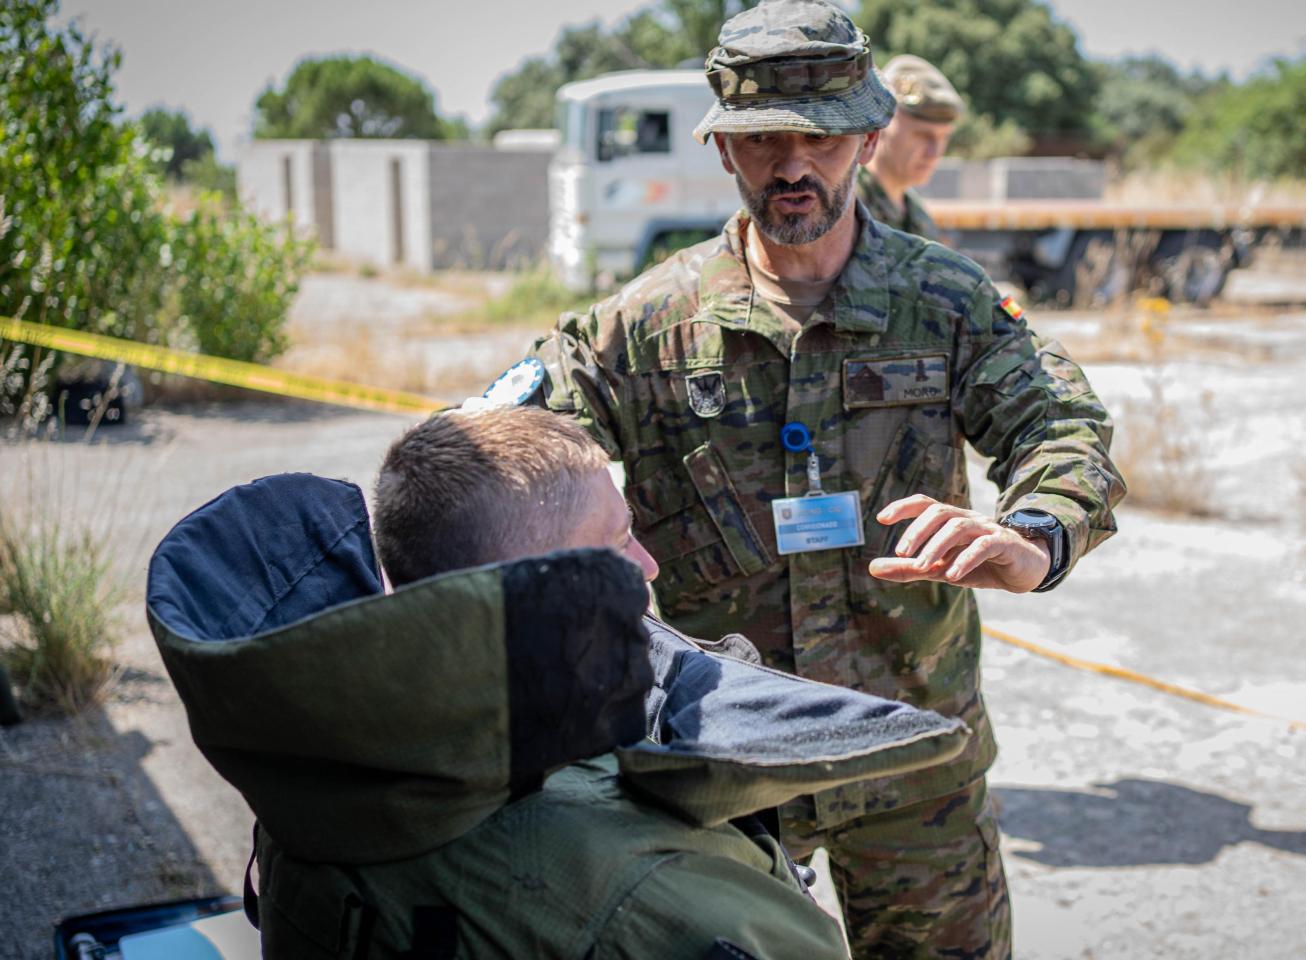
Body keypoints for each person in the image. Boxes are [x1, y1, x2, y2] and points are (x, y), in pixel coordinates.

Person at [530, 2, 1126, 956]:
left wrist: (1036, 535)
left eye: (824, 139)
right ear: (723, 148)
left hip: (914, 760)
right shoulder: (641, 326)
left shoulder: (946, 301)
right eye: (763, 139)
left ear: (870, 140)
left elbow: (1060, 424)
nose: (793, 166)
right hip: (725, 778)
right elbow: (502, 451)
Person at [143, 406, 972, 959]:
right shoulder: (645, 888)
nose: (648, 565)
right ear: (540, 583)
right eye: (616, 542)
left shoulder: (330, 749)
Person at [856, 54, 964, 241]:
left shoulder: (916, 215)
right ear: (882, 125)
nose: (934, 153)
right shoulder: (845, 205)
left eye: (944, 137)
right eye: (923, 135)